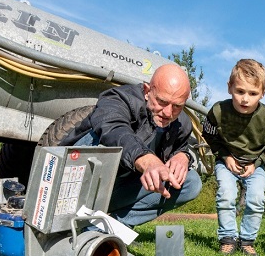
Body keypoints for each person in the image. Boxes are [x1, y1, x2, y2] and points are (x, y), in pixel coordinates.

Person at [56, 63, 202, 228]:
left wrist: (183, 156)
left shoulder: (182, 124)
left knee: (191, 182)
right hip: (71, 182)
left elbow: (181, 147)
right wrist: (146, 160)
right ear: (147, 92)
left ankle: (110, 227)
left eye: (177, 106)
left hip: (117, 190)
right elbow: (113, 128)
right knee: (100, 141)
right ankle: (59, 208)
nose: (168, 112)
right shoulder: (119, 98)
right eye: (162, 101)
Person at [202, 59, 265, 256]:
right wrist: (225, 156)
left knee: (256, 199)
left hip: (255, 165)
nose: (245, 99)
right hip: (227, 160)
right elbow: (209, 135)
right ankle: (228, 238)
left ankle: (247, 240)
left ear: (263, 92)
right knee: (227, 195)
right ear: (229, 87)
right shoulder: (218, 111)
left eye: (253, 93)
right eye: (240, 91)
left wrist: (258, 163)